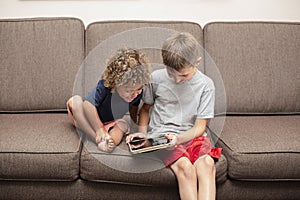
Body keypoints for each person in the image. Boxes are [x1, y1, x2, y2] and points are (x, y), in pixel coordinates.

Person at [126, 32, 222, 200]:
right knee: (186, 167)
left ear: (197, 63)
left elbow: (200, 127)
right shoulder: (155, 78)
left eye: (184, 75)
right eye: (171, 73)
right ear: (165, 64)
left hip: (191, 135)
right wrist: (143, 134)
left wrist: (180, 138)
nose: (177, 80)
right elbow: (146, 109)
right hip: (163, 137)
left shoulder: (206, 85)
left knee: (206, 164)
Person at [67, 48, 151, 152]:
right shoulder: (105, 86)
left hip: (110, 123)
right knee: (75, 101)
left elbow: (134, 109)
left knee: (123, 125)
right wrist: (99, 129)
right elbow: (88, 105)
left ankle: (107, 142)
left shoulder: (138, 93)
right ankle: (97, 137)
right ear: (116, 84)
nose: (134, 94)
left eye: (139, 89)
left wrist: (135, 126)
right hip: (87, 118)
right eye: (129, 90)